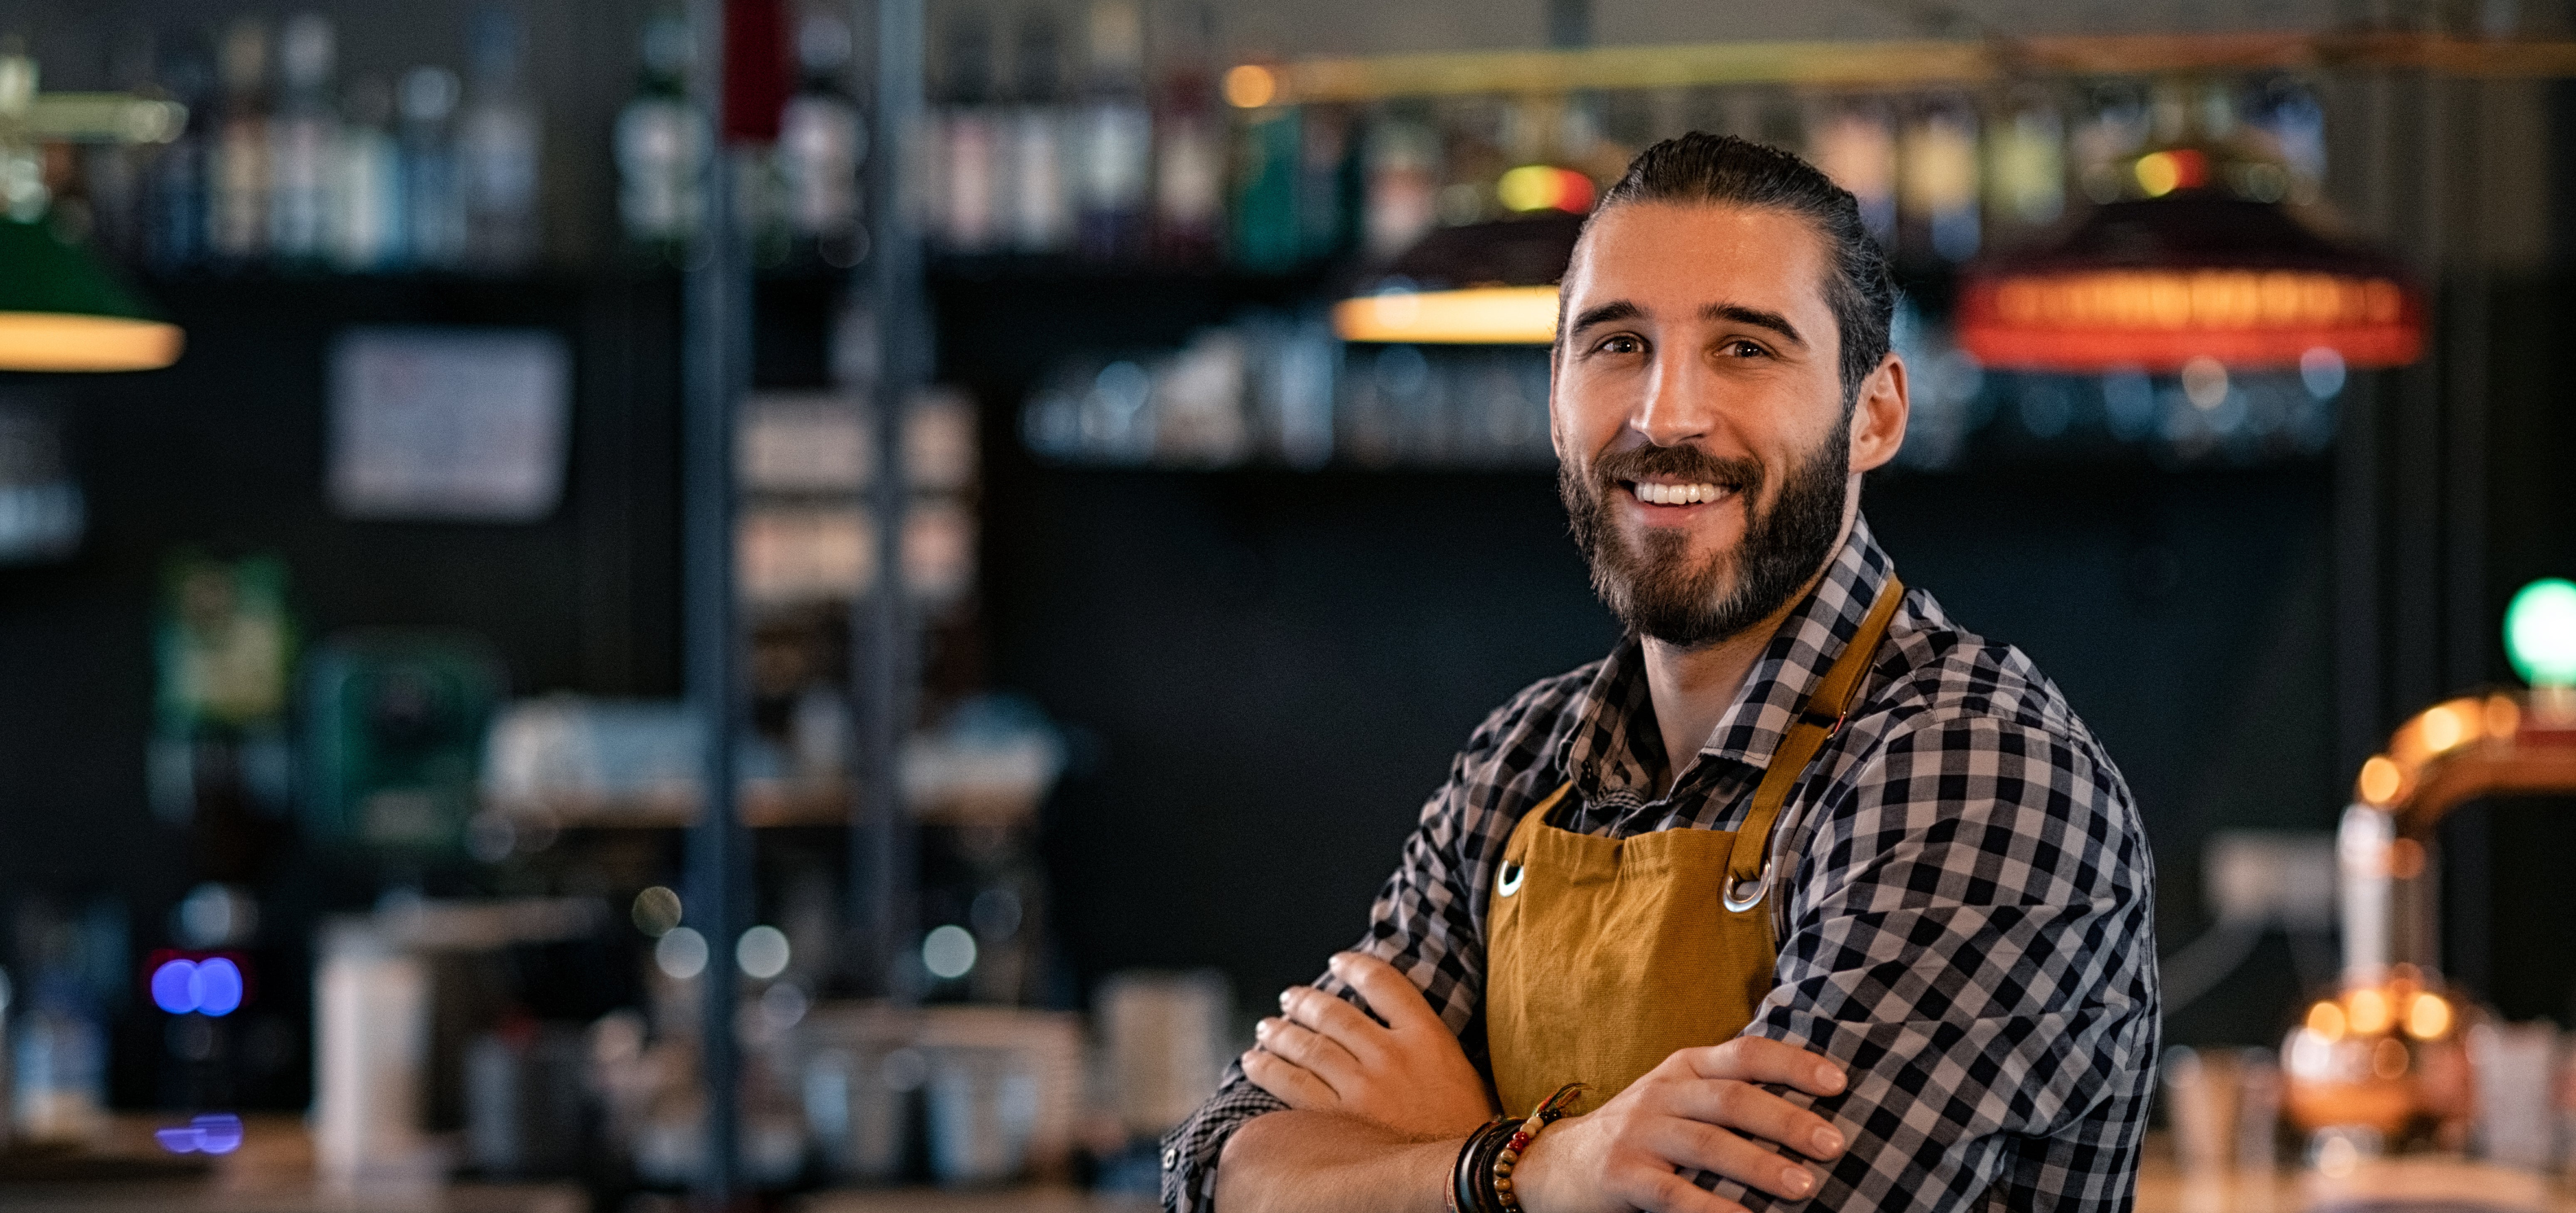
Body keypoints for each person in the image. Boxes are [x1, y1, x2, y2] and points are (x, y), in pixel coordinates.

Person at [1159, 134, 2159, 1213]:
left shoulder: (1972, 773)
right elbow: (1215, 1170)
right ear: (1556, 398)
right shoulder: (1519, 763)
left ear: (1874, 412)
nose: (1667, 414)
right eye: (1619, 344)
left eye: (1745, 349)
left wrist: (1448, 1146)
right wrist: (1528, 1169)